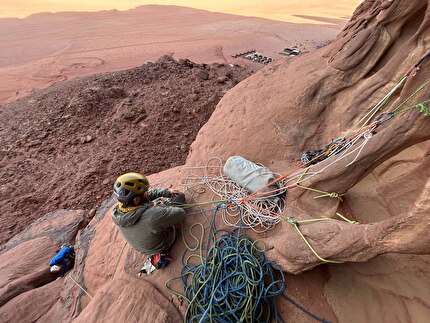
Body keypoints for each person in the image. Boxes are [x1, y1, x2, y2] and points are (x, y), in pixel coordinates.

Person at [111, 172, 187, 273]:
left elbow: (144, 197)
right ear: (137, 199)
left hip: (145, 248)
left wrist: (165, 191)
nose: (147, 192)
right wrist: (162, 210)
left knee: (156, 216)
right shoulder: (152, 216)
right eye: (145, 192)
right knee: (180, 197)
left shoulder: (117, 211)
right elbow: (181, 214)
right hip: (162, 244)